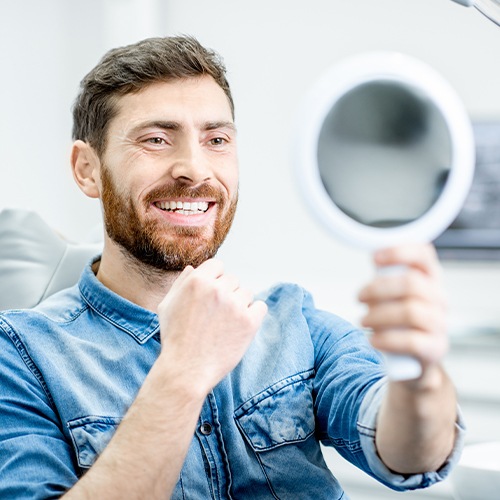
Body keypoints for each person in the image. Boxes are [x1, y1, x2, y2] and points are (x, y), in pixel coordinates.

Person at [0, 36, 464, 499]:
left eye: (216, 140)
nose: (194, 169)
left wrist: (418, 376)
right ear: (87, 169)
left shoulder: (293, 322)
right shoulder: (20, 355)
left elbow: (412, 455)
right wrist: (183, 370)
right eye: (156, 139)